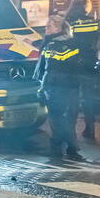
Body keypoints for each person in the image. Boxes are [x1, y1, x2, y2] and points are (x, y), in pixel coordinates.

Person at [38, 9, 85, 161]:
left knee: (56, 117)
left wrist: (40, 87)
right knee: (69, 118)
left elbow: (44, 68)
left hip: (55, 86)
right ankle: (70, 149)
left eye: (48, 27)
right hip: (72, 87)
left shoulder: (50, 44)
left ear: (57, 28)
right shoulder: (74, 43)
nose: (46, 29)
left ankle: (59, 148)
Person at [65, 0, 98, 141]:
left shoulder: (68, 22)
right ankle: (90, 129)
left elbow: (67, 42)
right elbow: (94, 41)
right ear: (86, 7)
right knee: (88, 98)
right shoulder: (92, 21)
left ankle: (70, 130)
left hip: (73, 63)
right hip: (89, 63)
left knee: (72, 98)